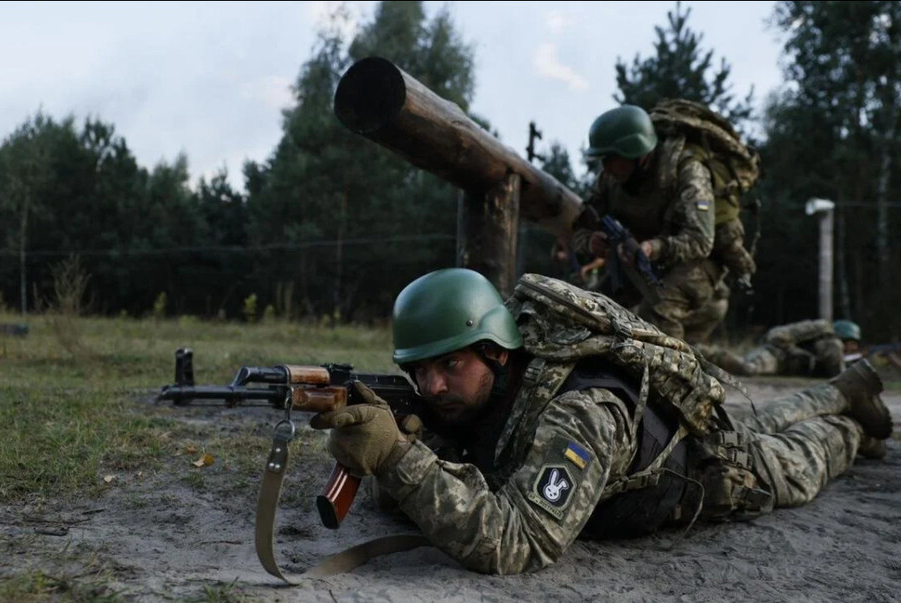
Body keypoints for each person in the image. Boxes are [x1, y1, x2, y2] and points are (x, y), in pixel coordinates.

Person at [310, 269, 893, 575]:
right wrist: (411, 443)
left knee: (799, 457)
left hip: (722, 474)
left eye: (450, 364)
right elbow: (466, 468)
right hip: (683, 446)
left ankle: (851, 421)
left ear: (499, 351)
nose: (433, 387)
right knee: (764, 419)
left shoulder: (580, 413)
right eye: (420, 371)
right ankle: (843, 387)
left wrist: (399, 457)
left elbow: (519, 543)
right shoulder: (482, 393)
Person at [570, 104, 753, 343]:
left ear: (635, 152)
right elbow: (579, 229)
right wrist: (590, 243)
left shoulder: (686, 170)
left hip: (697, 262)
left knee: (657, 314)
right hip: (641, 263)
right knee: (589, 309)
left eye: (611, 158)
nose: (605, 167)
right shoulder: (609, 180)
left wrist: (653, 248)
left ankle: (672, 377)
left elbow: (700, 240)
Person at [698, 319, 858, 378]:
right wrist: (796, 353)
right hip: (775, 355)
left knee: (748, 368)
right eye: (852, 343)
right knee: (749, 368)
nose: (853, 347)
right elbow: (777, 336)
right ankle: (701, 352)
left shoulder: (831, 347)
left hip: (782, 366)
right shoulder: (827, 338)